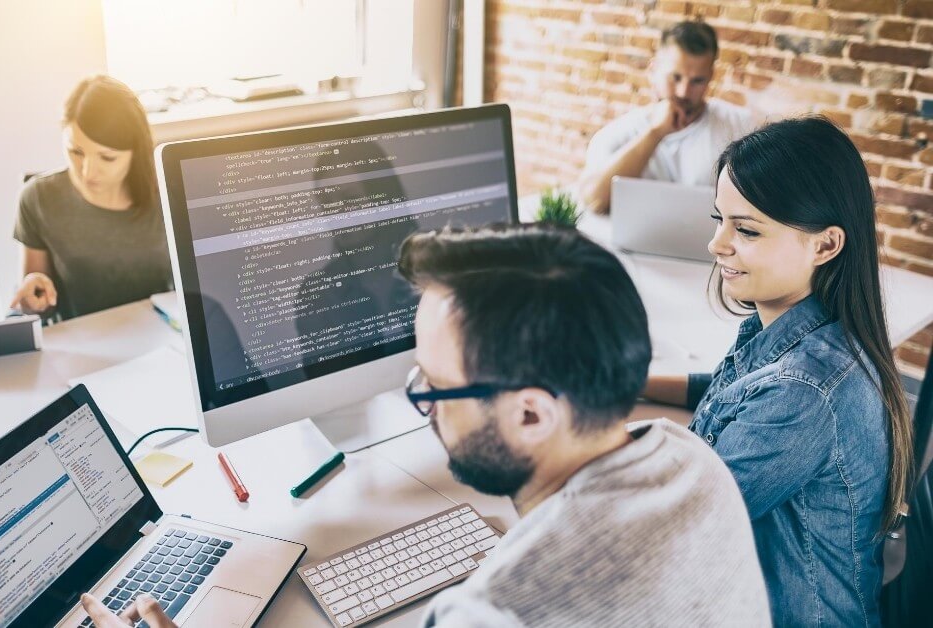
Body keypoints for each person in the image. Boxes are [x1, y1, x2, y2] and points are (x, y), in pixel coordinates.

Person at [80, 222, 771, 627]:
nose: (422, 402)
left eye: (436, 386)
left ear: (532, 411)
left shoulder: (494, 612)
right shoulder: (692, 461)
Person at [642, 116, 912, 626]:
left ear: (825, 245)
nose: (717, 245)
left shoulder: (802, 393)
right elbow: (738, 394)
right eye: (719, 220)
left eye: (745, 230)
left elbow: (671, 528)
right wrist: (635, 382)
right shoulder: (812, 333)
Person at [10, 75, 172, 321]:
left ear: (136, 152)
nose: (87, 172)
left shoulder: (169, 193)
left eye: (107, 158)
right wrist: (32, 298)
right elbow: (38, 308)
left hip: (163, 336)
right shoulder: (38, 198)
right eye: (75, 151)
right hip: (82, 345)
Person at [577, 20, 756, 214]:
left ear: (711, 76)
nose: (684, 92)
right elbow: (594, 201)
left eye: (697, 81)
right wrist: (655, 133)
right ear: (653, 71)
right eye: (675, 77)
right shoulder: (617, 133)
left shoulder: (739, 125)